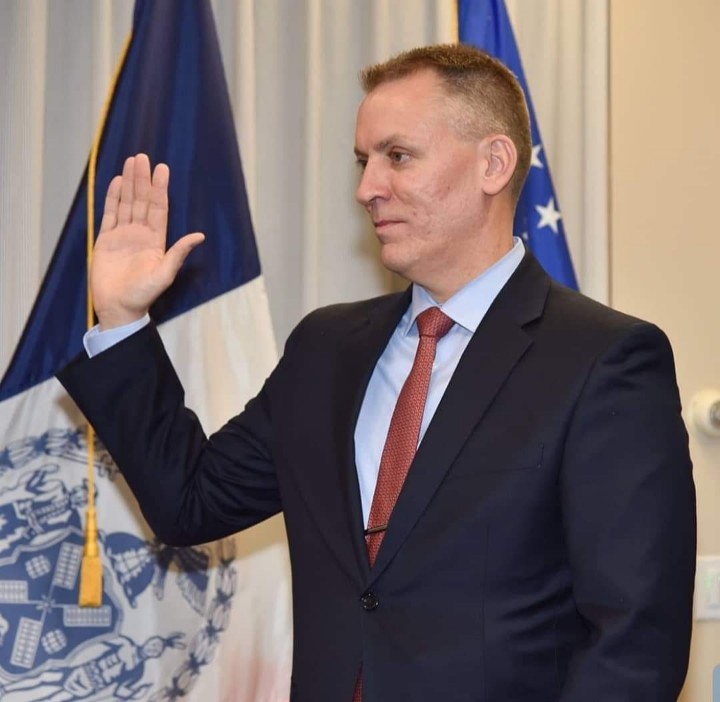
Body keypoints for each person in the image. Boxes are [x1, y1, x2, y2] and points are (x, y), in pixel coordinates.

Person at [58, 44, 696, 701]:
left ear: (494, 163)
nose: (367, 189)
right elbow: (190, 502)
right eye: (365, 162)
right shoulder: (326, 349)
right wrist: (122, 319)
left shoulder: (602, 358)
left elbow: (634, 641)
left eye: (399, 156)